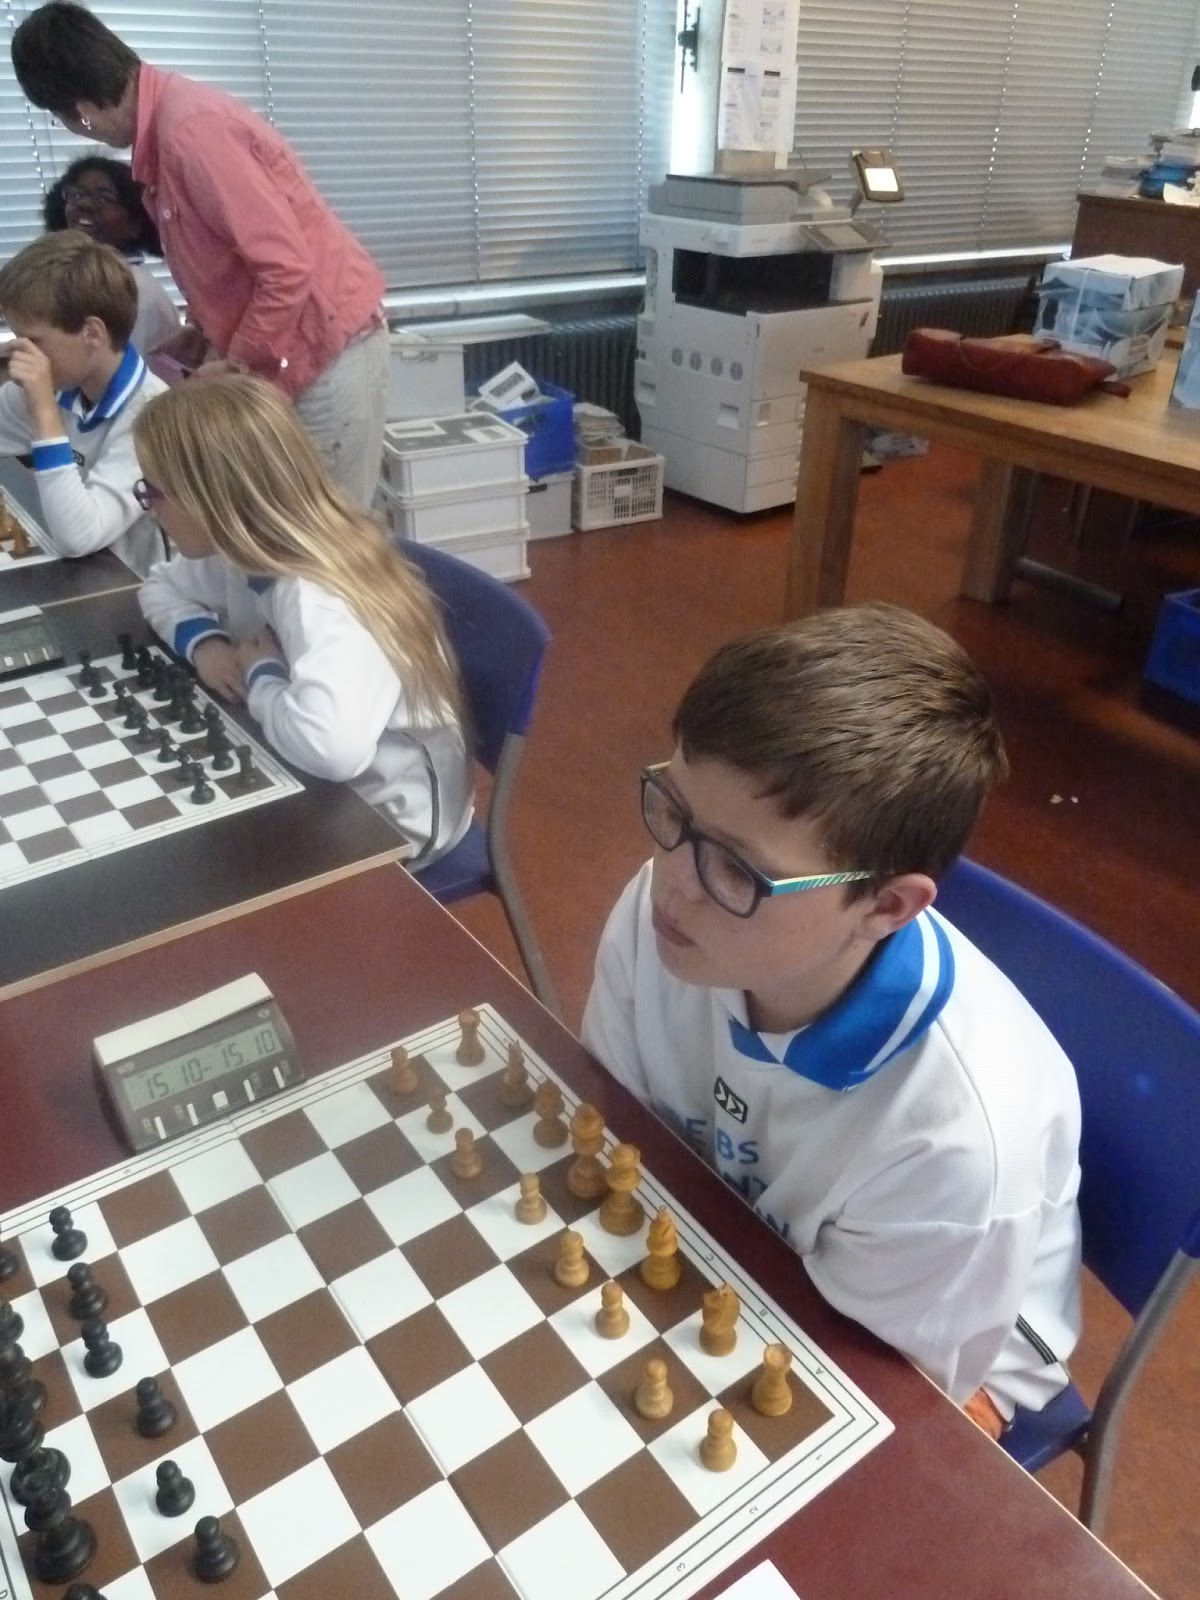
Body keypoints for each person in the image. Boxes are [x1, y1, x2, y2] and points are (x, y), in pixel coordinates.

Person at [582, 605, 1082, 1438]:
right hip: (732, 1238)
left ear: (885, 907)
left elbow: (883, 1392)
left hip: (930, 1355)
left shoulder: (956, 1138)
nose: (671, 880)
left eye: (736, 868)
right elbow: (616, 1130)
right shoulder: (672, 920)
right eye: (673, 810)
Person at [12, 2, 389, 507]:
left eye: (66, 120)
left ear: (80, 109)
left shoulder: (191, 132)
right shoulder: (163, 137)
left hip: (323, 351)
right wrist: (210, 332)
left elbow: (286, 269)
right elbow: (224, 255)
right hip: (288, 349)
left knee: (327, 533)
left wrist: (238, 359)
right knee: (281, 526)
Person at [134, 374, 472, 865]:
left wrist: (262, 676)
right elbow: (160, 586)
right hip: (326, 775)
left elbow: (331, 750)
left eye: (155, 492)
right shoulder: (242, 551)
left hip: (392, 820)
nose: (150, 510)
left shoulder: (318, 594)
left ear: (210, 498)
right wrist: (206, 644)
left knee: (190, 860)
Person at [0, 229, 167, 575]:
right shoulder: (65, 383)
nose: (21, 353)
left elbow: (78, 536)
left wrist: (43, 414)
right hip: (81, 575)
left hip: (133, 587)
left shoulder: (152, 417)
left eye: (32, 340)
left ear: (91, 333)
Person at [43, 153, 180, 357]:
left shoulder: (134, 293)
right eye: (76, 194)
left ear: (136, 223)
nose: (84, 204)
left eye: (104, 198)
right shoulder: (73, 281)